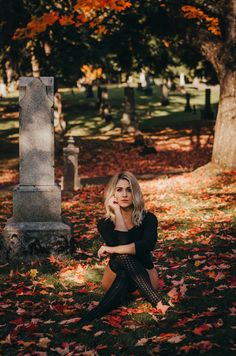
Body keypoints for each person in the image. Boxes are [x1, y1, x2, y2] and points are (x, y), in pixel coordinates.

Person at [79, 171, 172, 323]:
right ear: (112, 193)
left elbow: (147, 246)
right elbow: (122, 245)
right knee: (123, 258)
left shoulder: (148, 218)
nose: (124, 194)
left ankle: (94, 314)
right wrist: (117, 212)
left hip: (145, 278)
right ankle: (157, 301)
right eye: (119, 190)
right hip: (114, 277)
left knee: (122, 256)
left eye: (129, 190)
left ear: (135, 193)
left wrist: (112, 250)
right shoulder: (105, 223)